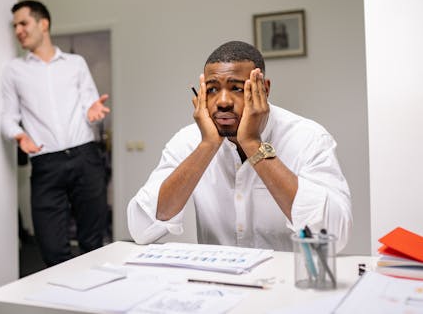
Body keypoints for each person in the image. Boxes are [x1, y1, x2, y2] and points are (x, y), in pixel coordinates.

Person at [127, 41, 352, 252]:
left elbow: (333, 236)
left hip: (288, 285)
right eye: (213, 90)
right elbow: (141, 228)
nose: (223, 101)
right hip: (217, 285)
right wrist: (207, 145)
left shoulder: (308, 138)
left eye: (236, 88)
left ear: (264, 89)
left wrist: (254, 144)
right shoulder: (188, 140)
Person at [1, 0, 110, 267]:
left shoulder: (75, 63)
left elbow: (89, 104)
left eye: (23, 23)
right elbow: (7, 117)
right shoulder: (14, 70)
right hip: (46, 164)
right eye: (15, 26)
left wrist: (92, 112)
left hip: (86, 158)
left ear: (43, 24)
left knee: (93, 242)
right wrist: (18, 135)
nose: (18, 30)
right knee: (51, 247)